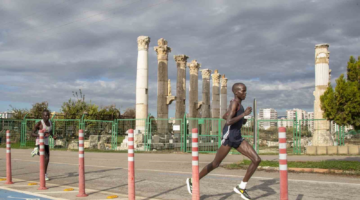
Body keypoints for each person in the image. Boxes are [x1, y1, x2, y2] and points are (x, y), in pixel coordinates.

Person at [186, 83, 261, 200]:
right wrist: (243, 115)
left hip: (237, 137)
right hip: (229, 137)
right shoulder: (234, 103)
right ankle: (192, 180)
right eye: (243, 91)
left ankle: (242, 187)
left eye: (245, 91)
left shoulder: (238, 104)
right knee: (215, 164)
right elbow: (229, 121)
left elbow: (224, 116)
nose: (245, 93)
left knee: (256, 160)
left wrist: (243, 119)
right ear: (236, 92)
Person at [31, 110, 56, 181]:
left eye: (48, 115)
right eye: (45, 115)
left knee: (48, 158)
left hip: (46, 142)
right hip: (40, 142)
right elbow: (32, 133)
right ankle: (44, 174)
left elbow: (50, 131)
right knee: (46, 157)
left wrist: (53, 135)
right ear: (42, 116)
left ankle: (37, 152)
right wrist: (40, 134)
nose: (47, 117)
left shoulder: (50, 122)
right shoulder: (39, 123)